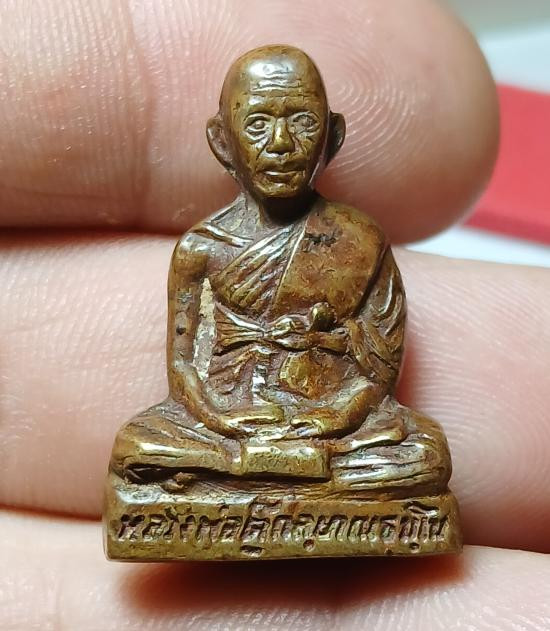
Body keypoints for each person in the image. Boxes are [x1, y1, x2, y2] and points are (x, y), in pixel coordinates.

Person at [1, 0, 549, 628]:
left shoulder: (359, 239)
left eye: (301, 122)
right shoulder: (202, 249)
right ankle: (245, 482)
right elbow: (185, 368)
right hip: (226, 424)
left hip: (338, 426)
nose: (282, 145)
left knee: (423, 453)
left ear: (332, 136)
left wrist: (337, 415)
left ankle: (285, 492)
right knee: (141, 447)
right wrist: (222, 422)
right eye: (258, 123)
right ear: (222, 141)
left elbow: (379, 362)